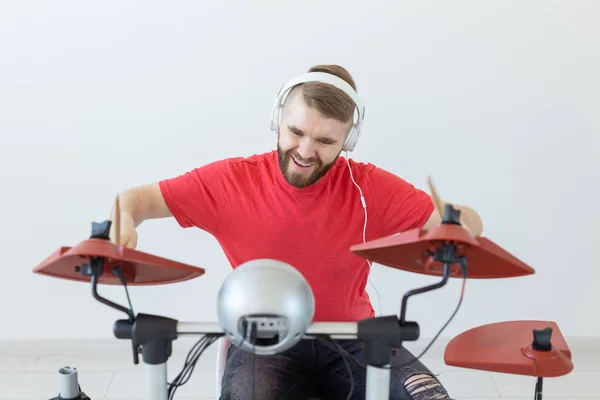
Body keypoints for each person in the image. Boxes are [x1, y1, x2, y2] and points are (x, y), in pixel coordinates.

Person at [109, 64, 483, 399]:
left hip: (355, 338)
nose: (305, 150)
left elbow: (462, 220)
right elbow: (134, 200)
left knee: (428, 397)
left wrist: (463, 226)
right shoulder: (231, 182)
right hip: (265, 340)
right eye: (296, 132)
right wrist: (124, 222)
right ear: (277, 120)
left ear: (347, 142)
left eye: (324, 142)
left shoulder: (368, 187)